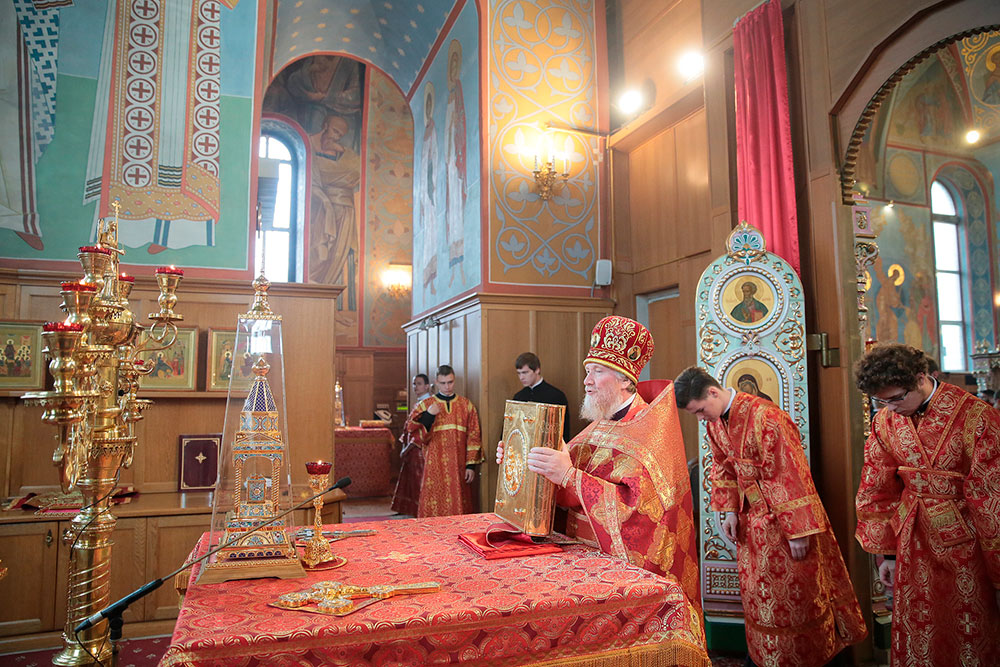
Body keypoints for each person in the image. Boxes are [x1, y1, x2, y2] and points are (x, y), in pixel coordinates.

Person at [497, 317, 701, 612]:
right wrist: (519, 459)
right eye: (587, 371)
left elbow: (643, 516)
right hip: (581, 565)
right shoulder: (599, 425)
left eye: (598, 371)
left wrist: (568, 475)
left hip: (627, 579)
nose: (587, 381)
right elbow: (563, 484)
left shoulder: (651, 433)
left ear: (625, 380)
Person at [674, 366, 866, 667]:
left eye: (700, 410)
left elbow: (789, 473)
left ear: (712, 392)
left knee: (798, 596)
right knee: (761, 599)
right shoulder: (715, 424)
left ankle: (805, 656)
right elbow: (722, 467)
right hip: (752, 525)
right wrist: (729, 511)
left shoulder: (767, 417)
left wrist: (798, 531)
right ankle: (767, 656)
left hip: (786, 526)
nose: (700, 418)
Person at [854, 343, 1000, 666]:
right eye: (881, 401)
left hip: (969, 546)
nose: (890, 409)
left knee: (969, 628)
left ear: (921, 378)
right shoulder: (885, 422)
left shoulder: (977, 417)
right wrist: (887, 555)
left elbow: (992, 498)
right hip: (912, 541)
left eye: (896, 398)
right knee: (918, 626)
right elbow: (877, 489)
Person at [404, 365, 483, 517]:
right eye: (443, 383)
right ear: (436, 382)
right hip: (434, 463)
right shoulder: (425, 405)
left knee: (459, 503)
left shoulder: (466, 406)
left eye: (450, 382)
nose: (447, 387)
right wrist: (429, 415)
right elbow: (412, 431)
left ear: (454, 380)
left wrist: (471, 465)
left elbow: (474, 436)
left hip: (458, 464)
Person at [391, 374, 432, 516]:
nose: (415, 387)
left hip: (419, 450)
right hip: (411, 449)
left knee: (419, 482)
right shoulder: (419, 403)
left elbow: (422, 430)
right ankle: (410, 510)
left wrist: (408, 448)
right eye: (414, 384)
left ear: (427, 386)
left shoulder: (427, 404)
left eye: (419, 384)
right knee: (411, 482)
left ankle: (420, 511)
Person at [512, 352, 571, 442]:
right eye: (519, 373)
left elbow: (563, 431)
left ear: (537, 370)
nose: (521, 377)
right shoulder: (518, 397)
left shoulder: (556, 396)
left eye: (525, 372)